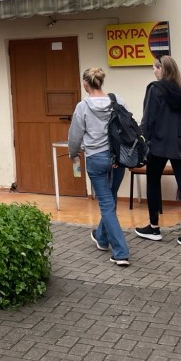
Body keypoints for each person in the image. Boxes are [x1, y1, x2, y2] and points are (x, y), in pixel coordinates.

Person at [134, 56, 181, 248]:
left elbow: (148, 119)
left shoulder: (155, 89)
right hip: (179, 143)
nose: (154, 71)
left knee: (153, 182)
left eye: (155, 67)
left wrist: (143, 141)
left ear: (162, 69)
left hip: (158, 144)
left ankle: (154, 228)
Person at [68, 67, 130, 266]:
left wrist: (73, 154)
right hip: (118, 158)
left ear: (86, 83)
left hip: (96, 159)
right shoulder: (117, 100)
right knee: (110, 200)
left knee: (106, 204)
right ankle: (102, 238)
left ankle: (121, 252)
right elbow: (129, 125)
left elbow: (75, 135)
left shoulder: (83, 106)